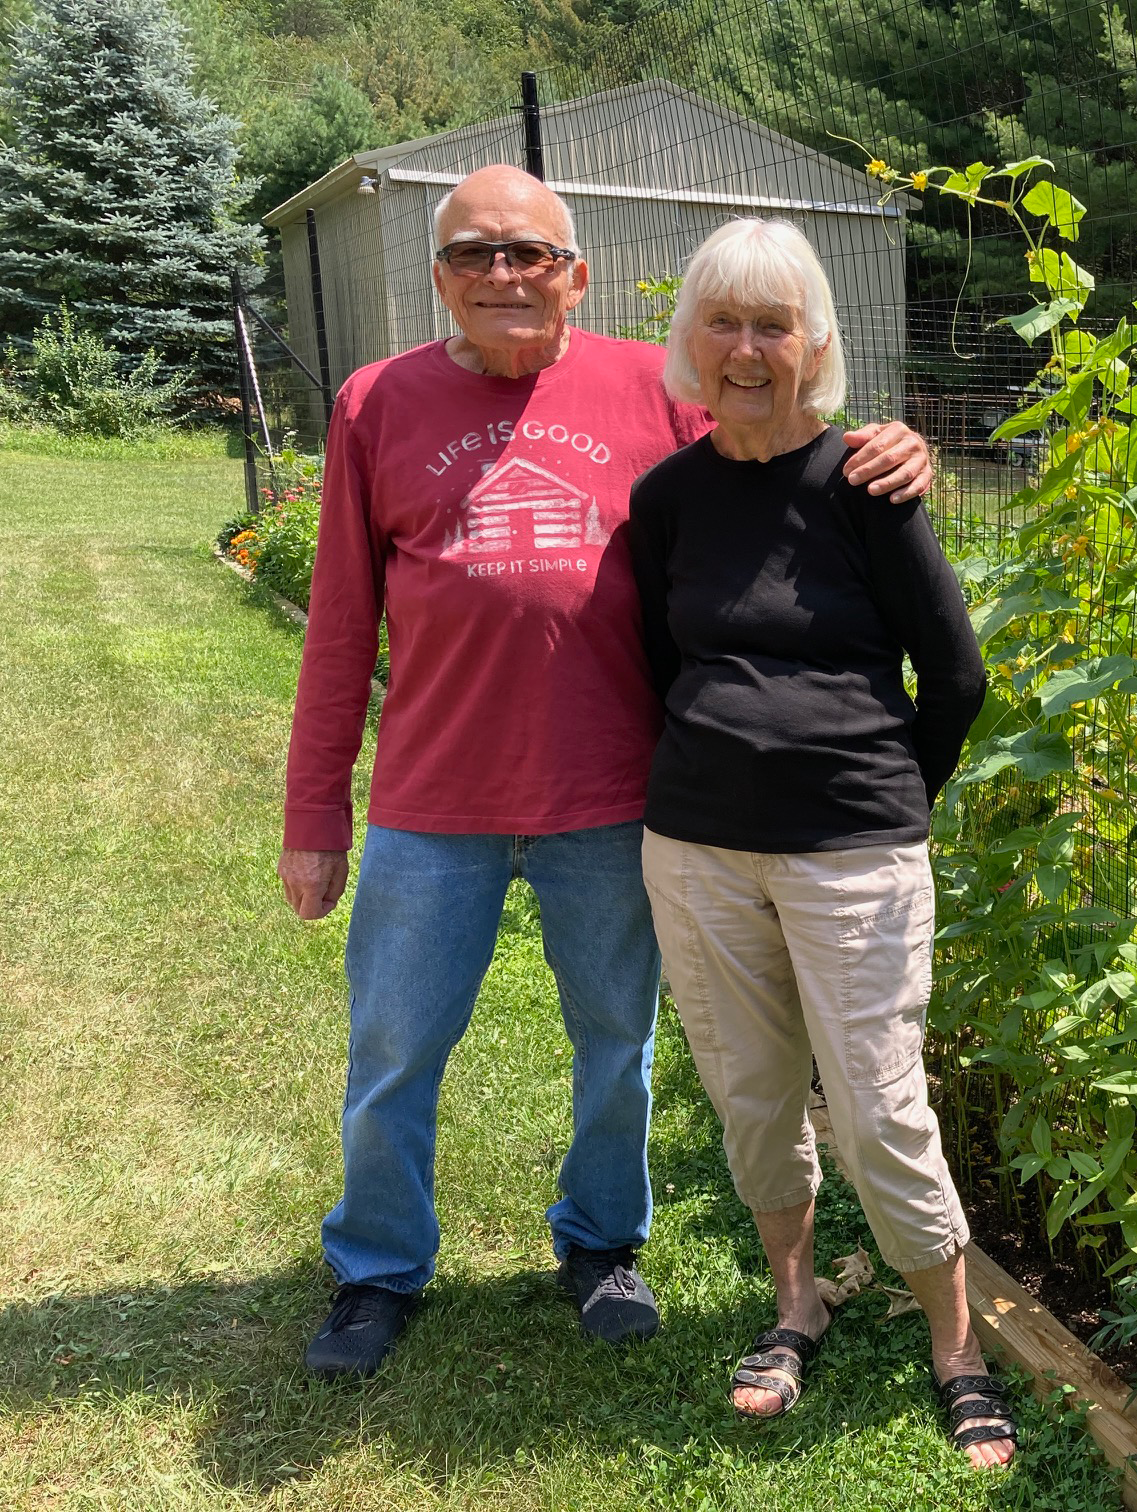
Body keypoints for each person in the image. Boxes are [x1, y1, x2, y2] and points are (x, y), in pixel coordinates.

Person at [277, 163, 936, 1380]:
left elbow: (778, 447)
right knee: (393, 1048)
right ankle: (375, 1268)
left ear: (574, 272)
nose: (504, 276)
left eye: (530, 253)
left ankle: (599, 1244)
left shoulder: (657, 385)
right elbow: (336, 625)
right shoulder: (378, 402)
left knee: (614, 1043)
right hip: (435, 803)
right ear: (440, 278)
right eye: (475, 255)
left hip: (618, 798)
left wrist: (887, 447)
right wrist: (317, 808)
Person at [627, 218, 1016, 1468]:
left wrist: (891, 798)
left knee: (878, 1110)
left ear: (815, 345)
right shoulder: (667, 499)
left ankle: (955, 1344)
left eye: (773, 325)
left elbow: (955, 674)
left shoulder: (868, 482)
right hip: (698, 853)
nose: (748, 350)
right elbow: (659, 667)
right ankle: (796, 1300)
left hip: (854, 853)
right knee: (748, 1094)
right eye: (725, 324)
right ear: (691, 342)